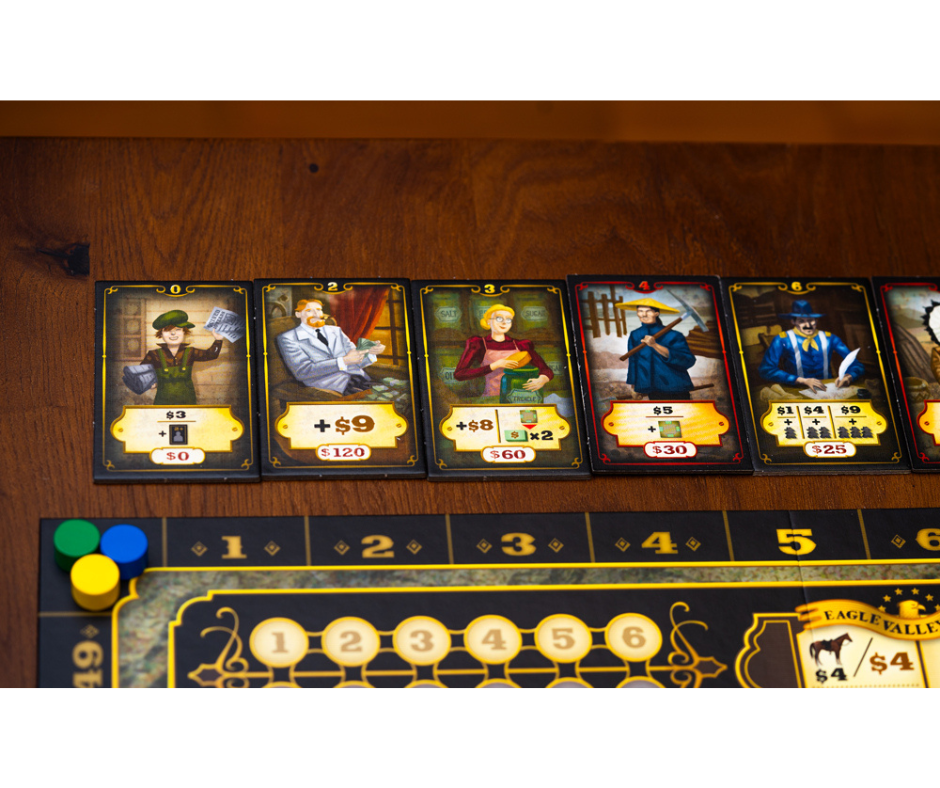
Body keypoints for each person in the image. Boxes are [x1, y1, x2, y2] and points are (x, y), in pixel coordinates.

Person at [277, 299, 385, 395]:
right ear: (298, 314)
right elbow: (303, 372)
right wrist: (343, 361)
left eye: (319, 310)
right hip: (333, 386)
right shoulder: (288, 338)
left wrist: (370, 352)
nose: (316, 314)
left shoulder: (336, 331)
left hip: (360, 379)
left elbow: (355, 359)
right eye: (309, 311)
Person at [759, 300, 864, 392]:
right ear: (793, 321)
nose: (808, 325)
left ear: (816, 320)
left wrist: (849, 376)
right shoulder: (782, 339)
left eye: (811, 320)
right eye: (801, 321)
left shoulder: (829, 338)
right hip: (795, 390)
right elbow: (766, 370)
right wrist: (800, 380)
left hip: (828, 389)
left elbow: (856, 364)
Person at [453, 304, 553, 396]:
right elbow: (459, 374)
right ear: (488, 321)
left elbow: (546, 370)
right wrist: (495, 365)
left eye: (508, 320)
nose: (504, 322)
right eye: (499, 318)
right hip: (492, 396)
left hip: (520, 396)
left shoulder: (521, 345)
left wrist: (543, 379)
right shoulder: (479, 344)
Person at [142, 310, 226, 406]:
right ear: (161, 334)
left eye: (178, 329)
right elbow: (141, 372)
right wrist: (150, 382)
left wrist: (218, 340)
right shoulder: (153, 354)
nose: (173, 333)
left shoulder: (190, 352)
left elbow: (212, 354)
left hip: (188, 401)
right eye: (168, 330)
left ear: (184, 332)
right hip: (162, 403)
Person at [621, 299, 695, 400]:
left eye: (648, 311)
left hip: (676, 386)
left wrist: (655, 345)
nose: (644, 315)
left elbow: (688, 360)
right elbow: (633, 361)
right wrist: (634, 387)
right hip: (652, 388)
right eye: (640, 311)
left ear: (656, 313)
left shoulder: (674, 335)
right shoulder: (635, 335)